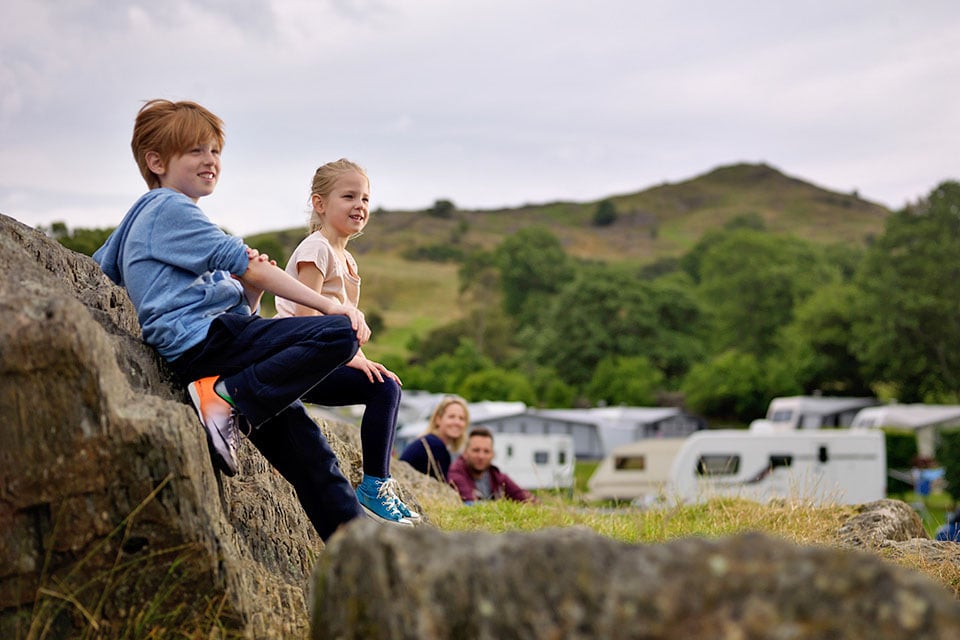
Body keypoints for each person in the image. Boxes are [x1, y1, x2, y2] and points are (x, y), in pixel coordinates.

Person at [92, 99, 410, 541]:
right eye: (195, 151)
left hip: (220, 351)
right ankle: (226, 398)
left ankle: (358, 557)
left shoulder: (145, 216)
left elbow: (101, 265)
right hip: (207, 344)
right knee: (341, 332)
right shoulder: (168, 207)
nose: (210, 160)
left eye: (215, 151)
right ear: (157, 162)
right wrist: (328, 306)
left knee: (312, 458)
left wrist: (251, 295)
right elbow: (245, 263)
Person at [273, 158, 418, 525]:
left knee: (385, 384)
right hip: (294, 358)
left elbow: (345, 328)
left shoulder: (347, 260)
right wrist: (351, 360)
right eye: (349, 196)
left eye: (365, 198)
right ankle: (373, 488)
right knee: (383, 389)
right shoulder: (316, 250)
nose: (360, 205)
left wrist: (363, 360)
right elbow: (306, 320)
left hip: (320, 358)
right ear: (320, 203)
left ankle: (379, 484)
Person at [447, 428, 535, 504]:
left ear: (493, 454)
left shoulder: (497, 477)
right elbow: (471, 504)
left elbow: (526, 498)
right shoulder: (456, 474)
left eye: (486, 451)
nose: (481, 456)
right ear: (465, 453)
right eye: (476, 450)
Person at [399, 395, 469, 481]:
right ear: (438, 419)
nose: (457, 422)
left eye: (462, 418)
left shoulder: (430, 441)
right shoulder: (434, 446)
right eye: (451, 417)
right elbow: (441, 484)